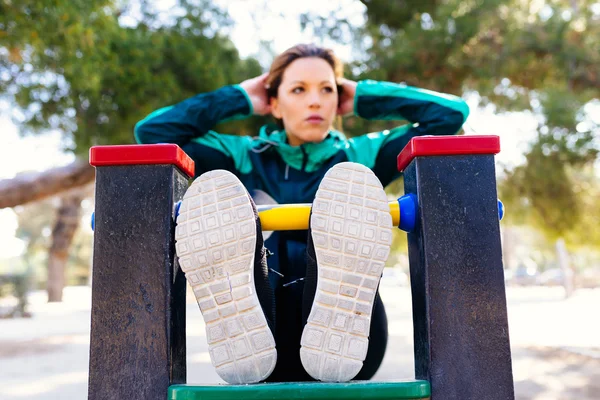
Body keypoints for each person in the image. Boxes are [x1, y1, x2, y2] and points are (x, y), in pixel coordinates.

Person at [134, 43, 469, 384]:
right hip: (259, 340)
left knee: (348, 201)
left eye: (327, 90)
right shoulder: (243, 155)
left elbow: (450, 116)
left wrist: (364, 96)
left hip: (353, 345)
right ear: (274, 104)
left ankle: (337, 312)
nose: (315, 101)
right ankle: (243, 324)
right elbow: (153, 134)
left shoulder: (360, 156)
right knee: (235, 219)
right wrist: (239, 98)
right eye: (299, 89)